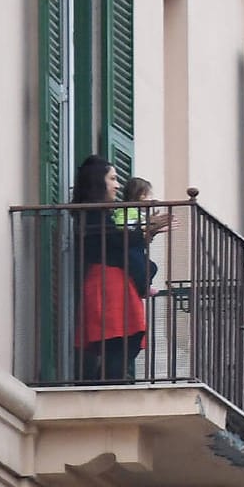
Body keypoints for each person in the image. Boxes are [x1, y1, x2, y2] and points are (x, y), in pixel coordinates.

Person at [70, 156, 167, 382]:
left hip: (116, 280)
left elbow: (120, 241)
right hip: (109, 280)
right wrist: (146, 230)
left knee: (126, 338)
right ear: (99, 181)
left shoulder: (104, 213)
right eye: (113, 178)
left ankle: (104, 382)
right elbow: (113, 242)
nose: (118, 185)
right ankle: (105, 384)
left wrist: (147, 232)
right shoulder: (94, 213)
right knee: (122, 338)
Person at [112, 176, 160, 297]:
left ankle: (146, 286)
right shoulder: (126, 210)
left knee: (151, 267)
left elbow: (144, 231)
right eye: (149, 195)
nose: (151, 199)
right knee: (140, 268)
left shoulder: (139, 213)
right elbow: (122, 224)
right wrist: (142, 225)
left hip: (137, 249)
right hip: (129, 249)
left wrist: (151, 228)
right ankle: (142, 289)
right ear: (142, 196)